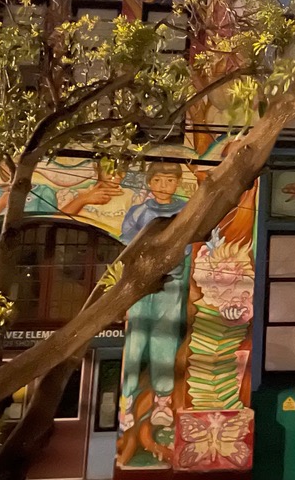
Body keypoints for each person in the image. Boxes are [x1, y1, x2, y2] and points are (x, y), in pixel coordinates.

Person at [119, 162, 190, 433]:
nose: (163, 186)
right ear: (150, 182)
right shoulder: (139, 212)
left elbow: (200, 234)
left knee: (164, 338)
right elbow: (127, 243)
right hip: (140, 282)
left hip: (171, 281)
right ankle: (127, 403)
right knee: (135, 340)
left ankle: (162, 401)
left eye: (169, 181)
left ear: (177, 183)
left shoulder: (186, 209)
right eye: (158, 180)